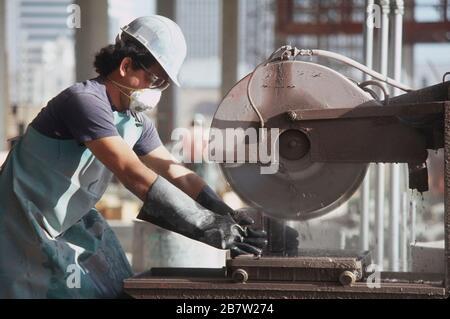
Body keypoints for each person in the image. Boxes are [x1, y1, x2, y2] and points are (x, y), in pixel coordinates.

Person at [0, 15, 266, 299]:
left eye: (163, 84)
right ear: (126, 66)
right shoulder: (85, 102)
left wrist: (225, 213)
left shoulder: (135, 122)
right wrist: (206, 226)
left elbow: (174, 171)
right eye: (154, 78)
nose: (156, 90)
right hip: (21, 222)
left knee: (118, 287)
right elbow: (131, 172)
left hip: (68, 220)